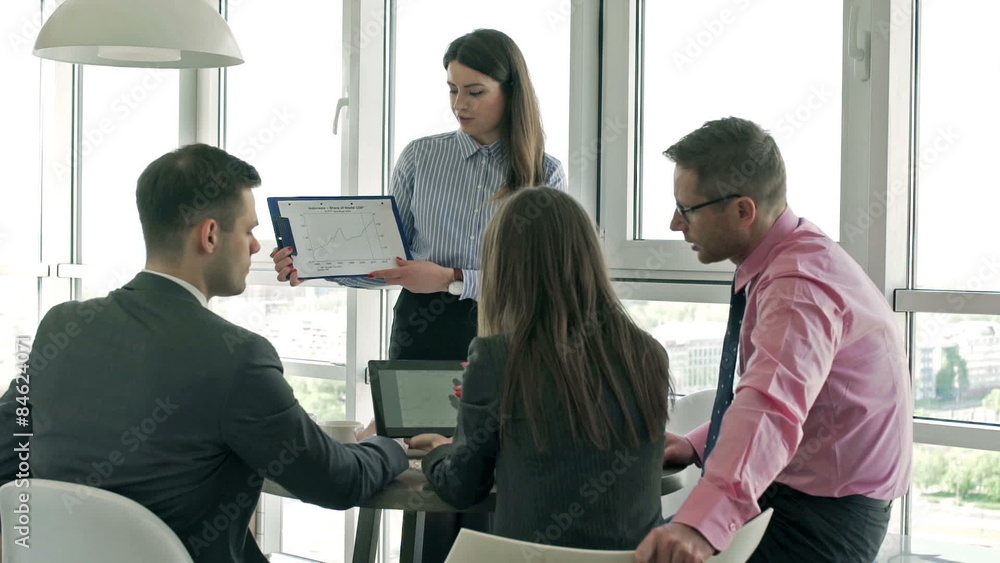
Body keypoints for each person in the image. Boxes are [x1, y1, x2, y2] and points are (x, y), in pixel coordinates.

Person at [0, 144, 408, 563]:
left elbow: (5, 451)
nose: (255, 247)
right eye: (248, 231)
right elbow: (336, 482)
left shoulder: (62, 326)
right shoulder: (239, 357)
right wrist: (391, 443)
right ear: (210, 235)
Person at [634, 117, 912, 563]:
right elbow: (787, 394)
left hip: (824, 516)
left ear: (743, 211)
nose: (674, 224)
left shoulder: (798, 285)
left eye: (687, 210)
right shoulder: (791, 255)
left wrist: (701, 524)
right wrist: (698, 445)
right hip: (803, 490)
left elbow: (772, 406)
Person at [270, 28, 567, 362]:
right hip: (421, 329)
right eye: (452, 89)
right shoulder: (419, 157)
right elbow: (389, 260)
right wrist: (311, 262)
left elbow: (542, 283)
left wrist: (450, 279)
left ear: (511, 91)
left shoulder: (545, 173)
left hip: (510, 332)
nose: (459, 104)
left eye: (475, 92)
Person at [406, 187, 673, 550]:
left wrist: (440, 451)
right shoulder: (649, 354)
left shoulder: (497, 357)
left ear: (503, 269)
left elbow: (462, 487)